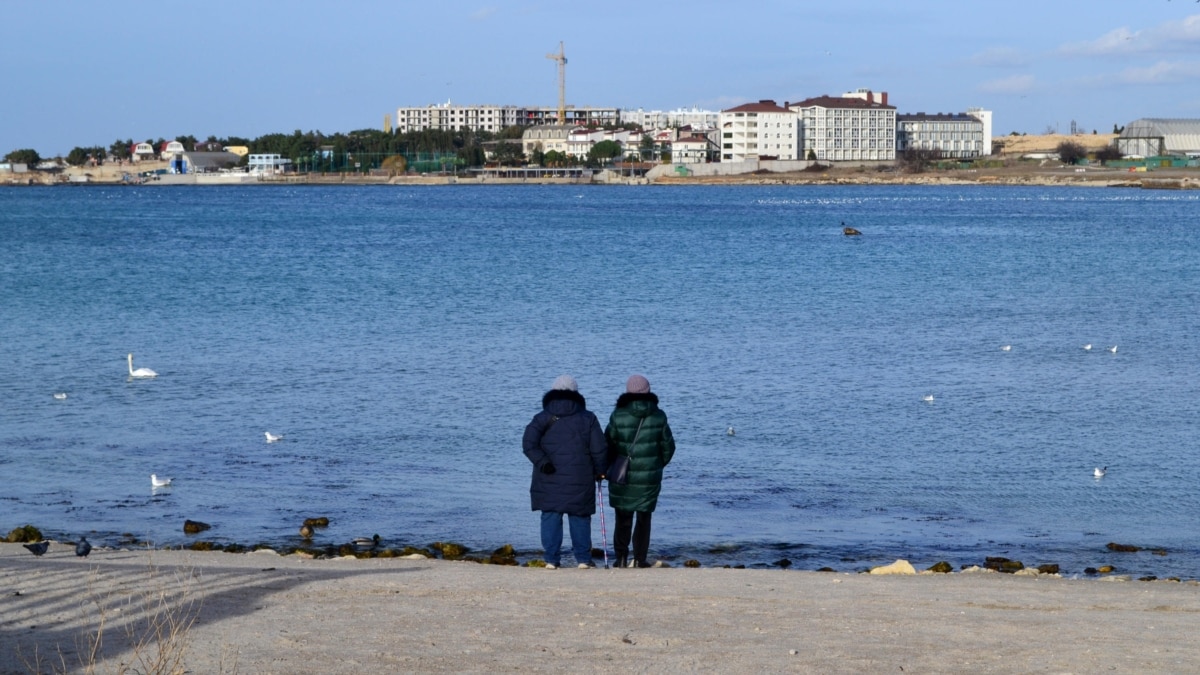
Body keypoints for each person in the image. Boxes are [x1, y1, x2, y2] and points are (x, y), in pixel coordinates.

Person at [523, 374, 608, 569]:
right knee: (579, 515)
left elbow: (528, 444)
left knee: (551, 514)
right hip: (580, 477)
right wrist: (601, 471)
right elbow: (599, 449)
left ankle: (551, 560)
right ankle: (583, 560)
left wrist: (543, 463)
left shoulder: (542, 417)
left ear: (553, 393)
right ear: (576, 394)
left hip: (548, 476)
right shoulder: (588, 418)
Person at [606, 374, 676, 568]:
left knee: (623, 517)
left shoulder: (618, 415)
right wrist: (656, 465)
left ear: (628, 392)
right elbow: (669, 447)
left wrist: (607, 467)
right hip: (649, 476)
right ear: (647, 391)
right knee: (644, 518)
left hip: (622, 475)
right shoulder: (658, 415)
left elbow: (608, 444)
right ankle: (639, 558)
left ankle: (620, 558)